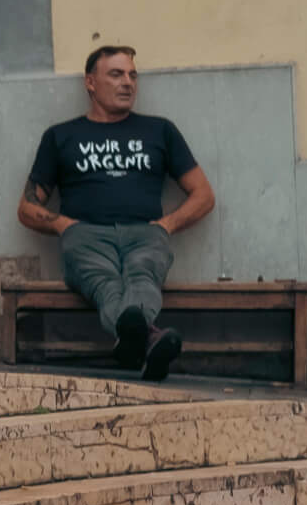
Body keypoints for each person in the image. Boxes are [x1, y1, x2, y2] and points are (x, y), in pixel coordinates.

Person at [18, 44, 215, 382]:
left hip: (145, 233)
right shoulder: (61, 136)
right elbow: (26, 207)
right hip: (87, 235)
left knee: (143, 275)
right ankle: (149, 337)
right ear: (90, 82)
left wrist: (165, 225)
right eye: (117, 74)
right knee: (106, 284)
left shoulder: (160, 131)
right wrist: (65, 226)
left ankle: (139, 340)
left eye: (132, 75)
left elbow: (204, 195)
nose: (128, 82)